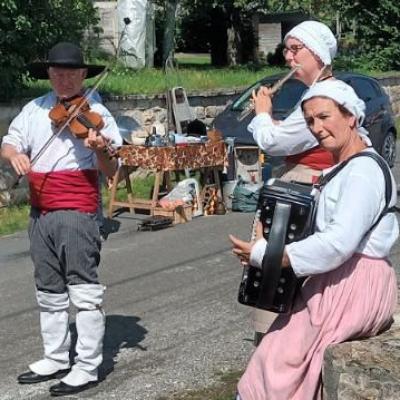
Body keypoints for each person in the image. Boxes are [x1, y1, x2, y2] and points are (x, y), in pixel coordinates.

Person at [230, 79, 399, 399]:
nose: (317, 128)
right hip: (342, 280)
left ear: (351, 116)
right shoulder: (349, 167)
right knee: (278, 353)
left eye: (324, 117)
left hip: (353, 285)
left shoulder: (362, 172)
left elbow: (338, 243)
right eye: (310, 121)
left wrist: (266, 254)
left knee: (279, 360)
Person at [0, 42, 122, 396]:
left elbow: (111, 167)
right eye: (57, 72)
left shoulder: (97, 113)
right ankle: (55, 356)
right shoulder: (35, 108)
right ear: (48, 73)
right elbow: (9, 143)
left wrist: (99, 148)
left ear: (84, 75)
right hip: (40, 211)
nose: (63, 79)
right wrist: (14, 158)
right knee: (48, 289)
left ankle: (86, 365)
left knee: (83, 288)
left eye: (71, 73)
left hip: (76, 211)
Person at [247, 20, 370, 344]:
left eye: (296, 49)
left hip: (300, 192)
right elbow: (293, 137)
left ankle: (274, 353)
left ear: (317, 53)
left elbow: (273, 143)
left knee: (277, 283)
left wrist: (262, 113)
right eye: (287, 49)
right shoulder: (323, 94)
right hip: (305, 186)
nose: (288, 56)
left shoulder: (323, 96)